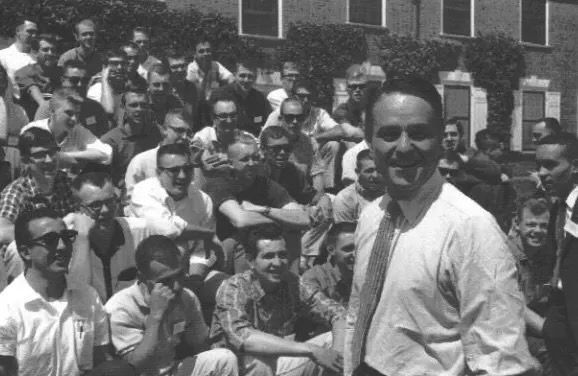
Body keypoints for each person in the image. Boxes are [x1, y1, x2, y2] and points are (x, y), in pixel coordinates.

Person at [344, 76, 537, 376]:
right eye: (389, 133)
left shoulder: (470, 228)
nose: (404, 147)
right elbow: (359, 315)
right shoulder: (371, 216)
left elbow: (502, 362)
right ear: (369, 142)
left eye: (419, 133)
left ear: (440, 139)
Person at [210, 223, 345, 376]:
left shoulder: (292, 282)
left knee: (337, 336)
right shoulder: (234, 287)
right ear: (250, 260)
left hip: (277, 362)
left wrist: (336, 355)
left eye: (282, 255)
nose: (277, 263)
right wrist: (311, 350)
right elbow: (243, 337)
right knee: (259, 363)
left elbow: (338, 313)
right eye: (268, 256)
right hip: (236, 368)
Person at [105, 235, 239, 376]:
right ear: (143, 278)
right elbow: (133, 366)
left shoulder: (186, 297)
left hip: (173, 370)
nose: (176, 286)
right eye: (165, 280)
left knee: (224, 358)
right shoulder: (121, 308)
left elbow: (201, 345)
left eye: (179, 275)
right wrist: (156, 317)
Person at [0, 208, 110, 376]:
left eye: (66, 237)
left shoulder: (88, 297)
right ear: (25, 252)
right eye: (49, 240)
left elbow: (101, 361)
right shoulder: (8, 309)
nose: (62, 246)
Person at [127, 143, 226, 300]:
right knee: (178, 247)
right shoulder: (143, 191)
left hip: (188, 273)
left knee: (226, 286)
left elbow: (203, 251)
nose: (182, 176)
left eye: (187, 169)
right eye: (173, 170)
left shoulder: (203, 200)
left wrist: (195, 280)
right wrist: (208, 234)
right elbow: (167, 230)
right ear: (159, 173)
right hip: (148, 274)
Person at [203, 132, 310, 273]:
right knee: (240, 239)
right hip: (223, 253)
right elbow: (240, 220)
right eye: (245, 159)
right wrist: (283, 218)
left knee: (292, 231)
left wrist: (262, 209)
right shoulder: (218, 184)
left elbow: (304, 219)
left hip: (257, 245)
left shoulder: (264, 184)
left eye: (255, 158)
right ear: (230, 163)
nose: (252, 164)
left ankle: (291, 282)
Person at [66, 171, 158, 302]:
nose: (105, 210)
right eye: (95, 206)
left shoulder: (137, 230)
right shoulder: (66, 243)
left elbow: (180, 229)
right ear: (78, 209)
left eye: (110, 202)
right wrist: (82, 238)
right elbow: (77, 294)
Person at [536, 134, 578, 375]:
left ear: (574, 166)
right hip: (560, 315)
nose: (542, 172)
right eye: (538, 165)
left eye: (551, 165)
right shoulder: (557, 208)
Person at [0, 128, 77, 252]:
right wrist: (55, 232)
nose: (49, 160)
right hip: (33, 262)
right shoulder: (16, 192)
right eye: (41, 155)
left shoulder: (68, 183)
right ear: (26, 160)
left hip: (66, 254)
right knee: (16, 249)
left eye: (52, 152)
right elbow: (3, 231)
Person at [508, 195, 555, 374]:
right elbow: (517, 308)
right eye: (531, 224)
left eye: (543, 225)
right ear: (516, 223)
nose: (538, 230)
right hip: (510, 331)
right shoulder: (505, 256)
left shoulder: (544, 253)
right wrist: (552, 331)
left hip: (534, 326)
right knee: (554, 352)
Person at [20, 88, 113, 170]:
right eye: (69, 113)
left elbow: (105, 154)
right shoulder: (32, 130)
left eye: (77, 114)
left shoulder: (78, 130)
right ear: (52, 111)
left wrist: (66, 156)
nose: (74, 119)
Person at [100, 86, 161, 189]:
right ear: (123, 107)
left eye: (143, 105)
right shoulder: (111, 141)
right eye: (133, 105)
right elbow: (102, 179)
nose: (139, 109)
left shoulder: (158, 133)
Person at [124, 109, 191, 200]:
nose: (185, 137)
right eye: (179, 130)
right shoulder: (142, 162)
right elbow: (131, 200)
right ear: (164, 130)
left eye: (189, 133)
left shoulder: (190, 163)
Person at [34, 61, 111, 137]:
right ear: (63, 80)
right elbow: (39, 140)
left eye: (85, 80)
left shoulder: (95, 108)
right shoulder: (47, 108)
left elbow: (104, 139)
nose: (80, 85)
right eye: (74, 80)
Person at [211, 60, 271, 136]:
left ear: (255, 78)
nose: (246, 80)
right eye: (242, 76)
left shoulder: (260, 99)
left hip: (252, 141)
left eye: (250, 76)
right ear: (235, 75)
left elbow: (267, 123)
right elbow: (209, 123)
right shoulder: (219, 95)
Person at [260, 125, 314, 204]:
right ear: (263, 150)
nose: (282, 153)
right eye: (275, 149)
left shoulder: (294, 171)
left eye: (287, 148)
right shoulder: (256, 174)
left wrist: (323, 199)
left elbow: (310, 195)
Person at [14, 33, 60, 119]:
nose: (51, 53)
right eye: (45, 50)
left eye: (53, 50)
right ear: (35, 53)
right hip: (32, 122)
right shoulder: (23, 72)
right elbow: (33, 90)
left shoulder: (61, 73)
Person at [333, 149, 384, 223]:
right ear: (357, 173)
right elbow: (345, 233)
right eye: (369, 171)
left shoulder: (392, 192)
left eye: (379, 170)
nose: (375, 175)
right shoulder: (345, 199)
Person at [164, 49, 205, 131]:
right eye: (174, 67)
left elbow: (200, 119)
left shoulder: (196, 89)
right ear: (167, 69)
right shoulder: (162, 91)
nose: (180, 70)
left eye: (183, 66)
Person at [86, 48, 130, 123]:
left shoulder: (129, 87)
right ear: (105, 67)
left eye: (123, 63)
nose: (120, 67)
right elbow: (108, 111)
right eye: (114, 64)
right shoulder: (96, 89)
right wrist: (104, 80)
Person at [0, 19, 37, 99]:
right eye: (30, 31)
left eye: (35, 32)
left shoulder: (37, 58)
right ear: (18, 31)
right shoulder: (3, 56)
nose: (34, 35)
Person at [332, 64, 369, 142]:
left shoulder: (372, 109)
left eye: (361, 86)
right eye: (354, 86)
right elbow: (353, 134)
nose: (358, 90)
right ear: (347, 89)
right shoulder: (341, 111)